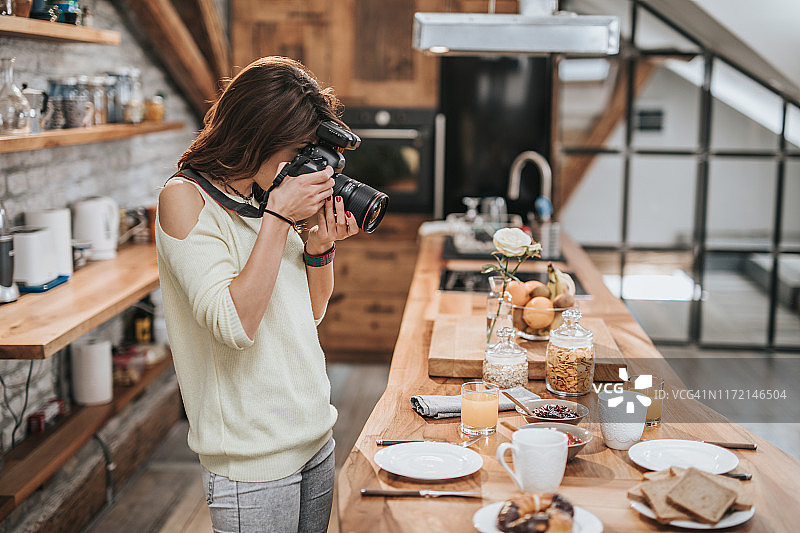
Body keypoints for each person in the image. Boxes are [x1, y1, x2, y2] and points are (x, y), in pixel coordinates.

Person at [154, 56, 359, 532]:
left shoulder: (263, 198)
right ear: (255, 136)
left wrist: (319, 248)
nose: (302, 166)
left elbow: (309, 313)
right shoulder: (185, 200)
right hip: (252, 461)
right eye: (294, 152)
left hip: (315, 436)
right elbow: (235, 325)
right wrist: (280, 219)